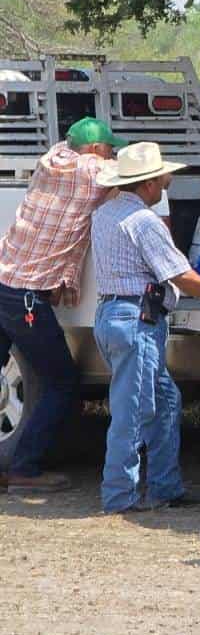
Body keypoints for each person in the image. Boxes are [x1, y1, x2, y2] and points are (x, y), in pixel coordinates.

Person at [91, 142, 200, 513]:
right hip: (137, 321)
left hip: (117, 315)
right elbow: (179, 273)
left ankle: (163, 486)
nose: (167, 184)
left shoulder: (105, 213)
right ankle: (120, 496)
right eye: (162, 179)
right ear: (149, 184)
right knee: (133, 410)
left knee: (163, 400)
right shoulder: (144, 221)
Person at [0, 118, 126, 493]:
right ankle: (24, 467)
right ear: (93, 151)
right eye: (108, 148)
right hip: (25, 292)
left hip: (3, 281)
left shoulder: (50, 159)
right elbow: (133, 173)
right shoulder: (91, 170)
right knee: (60, 380)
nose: (112, 153)